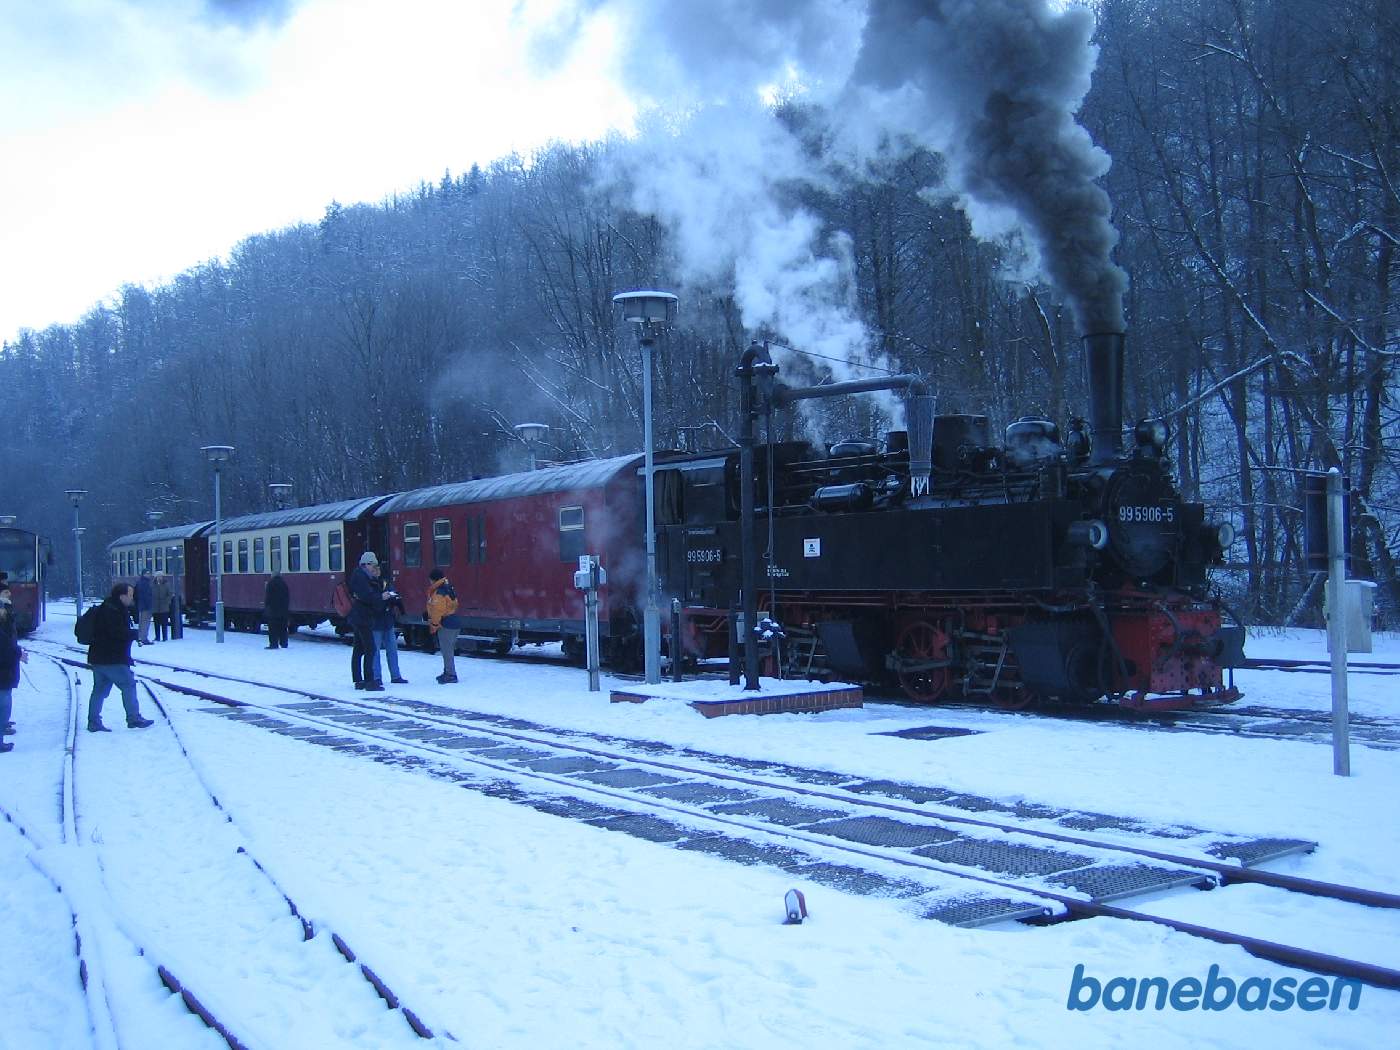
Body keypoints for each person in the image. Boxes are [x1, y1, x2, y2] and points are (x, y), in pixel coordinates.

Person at [86, 583, 154, 731]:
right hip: (112, 658)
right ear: (122, 596)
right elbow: (116, 633)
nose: (132, 598)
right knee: (128, 684)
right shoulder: (114, 611)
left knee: (99, 690)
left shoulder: (108, 607)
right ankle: (133, 718)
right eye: (130, 595)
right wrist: (134, 634)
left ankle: (93, 721)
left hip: (99, 657)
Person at [347, 551, 383, 690]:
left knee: (359, 649)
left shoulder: (360, 575)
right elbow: (367, 596)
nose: (374, 568)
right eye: (373, 565)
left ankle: (358, 680)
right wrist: (381, 597)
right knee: (370, 648)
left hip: (359, 616)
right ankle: (369, 680)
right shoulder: (361, 577)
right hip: (362, 617)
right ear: (366, 564)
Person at [426, 569, 463, 684]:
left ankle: (451, 675)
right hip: (454, 621)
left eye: (430, 580)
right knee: (449, 650)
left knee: (447, 651)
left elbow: (437, 610)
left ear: (433, 579)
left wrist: (434, 624)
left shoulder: (439, 592)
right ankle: (447, 672)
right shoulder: (448, 588)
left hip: (446, 624)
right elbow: (455, 604)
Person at [0, 583, 25, 752]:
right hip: (3, 667)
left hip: (6, 664)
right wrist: (17, 654)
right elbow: (5, 644)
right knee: (3, 701)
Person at [373, 572, 408, 685]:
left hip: (387, 621)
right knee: (376, 651)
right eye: (374, 569)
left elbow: (395, 596)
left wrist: (393, 599)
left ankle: (395, 676)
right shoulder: (370, 584)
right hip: (377, 621)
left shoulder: (386, 583)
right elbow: (371, 600)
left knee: (391, 649)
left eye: (377, 569)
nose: (377, 571)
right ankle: (377, 677)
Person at [264, 571, 290, 649]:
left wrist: (267, 607)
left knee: (273, 628)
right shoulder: (284, 584)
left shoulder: (271, 583)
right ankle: (284, 643)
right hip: (283, 610)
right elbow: (287, 597)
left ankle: (274, 644)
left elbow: (268, 597)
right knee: (283, 628)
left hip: (273, 610)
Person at [152, 571, 173, 642]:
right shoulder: (152, 584)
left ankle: (165, 637)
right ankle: (157, 637)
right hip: (155, 607)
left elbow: (170, 593)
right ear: (155, 577)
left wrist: (167, 601)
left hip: (164, 607)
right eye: (158, 576)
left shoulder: (166, 584)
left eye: (160, 576)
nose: (159, 578)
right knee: (156, 623)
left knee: (164, 623)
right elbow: (150, 594)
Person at [135, 569, 154, 645]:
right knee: (145, 623)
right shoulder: (145, 583)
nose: (149, 575)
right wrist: (148, 605)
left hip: (142, 605)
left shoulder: (140, 582)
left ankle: (140, 637)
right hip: (146, 606)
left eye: (149, 573)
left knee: (142, 622)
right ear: (143, 574)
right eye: (147, 573)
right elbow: (146, 595)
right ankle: (144, 638)